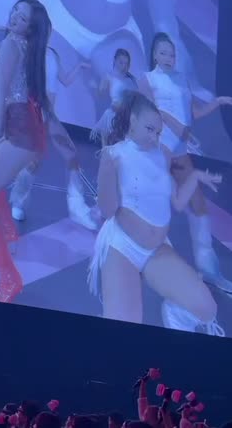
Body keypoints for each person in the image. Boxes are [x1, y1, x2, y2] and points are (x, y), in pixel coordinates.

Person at [88, 91, 224, 334]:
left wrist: (195, 176)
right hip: (123, 246)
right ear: (132, 120)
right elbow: (108, 211)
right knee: (123, 329)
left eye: (158, 132)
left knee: (207, 308)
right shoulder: (115, 154)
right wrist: (106, 171)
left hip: (158, 248)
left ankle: (176, 315)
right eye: (149, 129)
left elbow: (177, 203)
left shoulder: (163, 153)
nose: (154, 136)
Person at [0, 0, 51, 303]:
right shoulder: (20, 45)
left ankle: (8, 277)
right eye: (15, 10)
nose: (15, 16)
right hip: (25, 127)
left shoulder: (12, 45)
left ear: (30, 28)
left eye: (23, 17)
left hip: (18, 128)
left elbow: (2, 95)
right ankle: (8, 232)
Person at [140, 32, 232, 294]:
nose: (169, 57)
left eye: (172, 54)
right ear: (154, 55)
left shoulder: (181, 80)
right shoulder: (148, 79)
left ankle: (209, 269)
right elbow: (151, 114)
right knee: (153, 205)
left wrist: (219, 101)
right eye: (163, 53)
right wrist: (178, 129)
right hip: (157, 149)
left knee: (198, 205)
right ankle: (146, 258)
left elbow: (195, 113)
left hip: (180, 151)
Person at [9, 46, 96, 227]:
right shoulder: (31, 51)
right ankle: (17, 201)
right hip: (32, 112)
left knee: (71, 153)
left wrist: (79, 66)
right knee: (33, 162)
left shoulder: (53, 53)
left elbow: (65, 80)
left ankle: (76, 205)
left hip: (48, 114)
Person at [92, 48, 138, 146]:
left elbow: (135, 98)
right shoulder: (109, 76)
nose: (123, 66)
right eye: (121, 62)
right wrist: (100, 85)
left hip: (127, 112)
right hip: (114, 111)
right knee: (107, 140)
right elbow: (101, 94)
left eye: (126, 63)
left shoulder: (131, 80)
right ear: (115, 60)